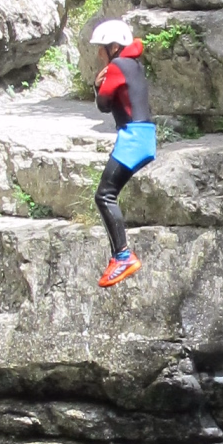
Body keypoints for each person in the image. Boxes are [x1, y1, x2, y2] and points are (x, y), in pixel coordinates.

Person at [88, 16, 155, 288]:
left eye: (101, 48)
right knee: (107, 194)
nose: (98, 53)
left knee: (104, 195)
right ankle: (120, 257)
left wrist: (97, 86)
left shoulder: (116, 66)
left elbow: (104, 104)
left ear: (113, 47)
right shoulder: (134, 65)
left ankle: (123, 257)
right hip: (144, 136)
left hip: (133, 138)